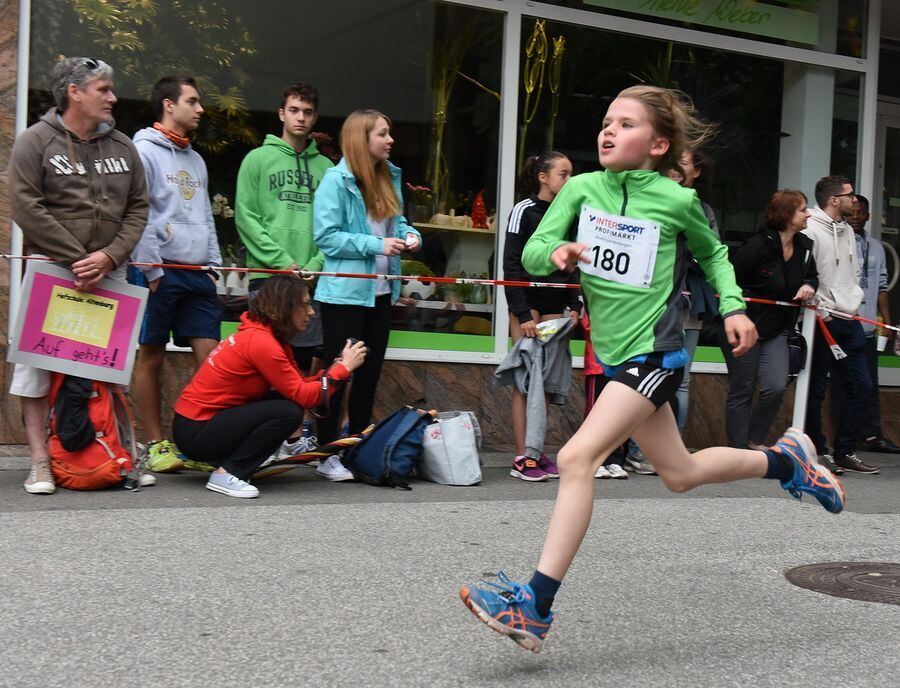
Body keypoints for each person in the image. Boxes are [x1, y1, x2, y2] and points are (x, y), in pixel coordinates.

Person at [458, 85, 845, 654]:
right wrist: (560, 254)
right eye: (606, 120)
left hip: (656, 352)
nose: (607, 130)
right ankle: (785, 462)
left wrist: (734, 307)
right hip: (615, 355)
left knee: (575, 457)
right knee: (680, 473)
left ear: (659, 144)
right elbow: (532, 253)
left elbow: (714, 253)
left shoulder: (675, 200)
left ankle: (534, 605)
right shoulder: (582, 190)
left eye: (626, 123)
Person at [8, 57, 149, 495]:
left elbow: (138, 207)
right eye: (103, 89)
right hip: (52, 270)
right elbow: (26, 207)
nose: (112, 97)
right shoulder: (34, 141)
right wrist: (75, 259)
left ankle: (122, 455)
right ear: (74, 92)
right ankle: (39, 464)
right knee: (36, 368)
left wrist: (108, 256)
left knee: (112, 369)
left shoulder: (124, 147)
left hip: (111, 270)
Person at [172, 275, 367, 498]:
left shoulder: (266, 337)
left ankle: (229, 464)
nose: (312, 312)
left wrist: (336, 367)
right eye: (304, 305)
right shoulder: (262, 343)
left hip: (197, 426)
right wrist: (342, 371)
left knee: (285, 402)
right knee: (288, 412)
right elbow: (305, 397)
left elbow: (299, 386)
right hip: (196, 432)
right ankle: (227, 473)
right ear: (285, 307)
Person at [312, 109, 421, 482]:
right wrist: (376, 245)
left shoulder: (390, 175)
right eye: (383, 134)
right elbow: (325, 236)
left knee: (370, 375)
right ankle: (327, 454)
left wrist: (410, 236)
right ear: (362, 139)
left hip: (380, 292)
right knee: (338, 375)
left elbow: (398, 220)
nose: (390, 140)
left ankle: (356, 449)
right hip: (343, 295)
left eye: (389, 134)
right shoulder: (335, 180)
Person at [236, 82, 334, 457]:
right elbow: (246, 218)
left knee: (306, 360)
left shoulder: (326, 168)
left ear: (315, 118)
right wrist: (282, 263)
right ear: (281, 113)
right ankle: (263, 437)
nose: (300, 118)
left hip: (309, 277)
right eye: (294, 110)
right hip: (269, 277)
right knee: (266, 360)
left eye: (307, 112)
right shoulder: (257, 160)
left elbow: (331, 225)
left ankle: (296, 435)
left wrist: (313, 265)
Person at [130, 76, 222, 473]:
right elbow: (141, 213)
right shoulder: (142, 151)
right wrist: (151, 270)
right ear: (169, 105)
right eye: (193, 101)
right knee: (151, 356)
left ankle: (201, 442)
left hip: (198, 271)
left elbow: (204, 214)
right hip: (159, 271)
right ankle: (154, 443)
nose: (200, 109)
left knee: (212, 359)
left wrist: (214, 263)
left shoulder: (196, 159)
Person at [502, 152, 579, 481]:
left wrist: (575, 304)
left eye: (572, 175)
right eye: (564, 174)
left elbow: (575, 263)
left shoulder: (571, 213)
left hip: (554, 304)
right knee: (526, 380)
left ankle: (536, 451)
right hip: (527, 303)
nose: (569, 181)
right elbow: (511, 264)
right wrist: (521, 313)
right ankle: (522, 457)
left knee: (545, 383)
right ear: (543, 177)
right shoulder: (523, 210)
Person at [724, 190, 817, 449]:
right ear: (787, 214)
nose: (808, 213)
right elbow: (729, 281)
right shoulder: (757, 246)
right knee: (742, 387)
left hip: (778, 328)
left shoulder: (805, 246)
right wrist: (734, 315)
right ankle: (738, 447)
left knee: (776, 385)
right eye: (803, 209)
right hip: (747, 325)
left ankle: (754, 439)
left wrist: (810, 285)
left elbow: (813, 276)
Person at [802, 176, 878, 475]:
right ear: (834, 200)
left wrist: (854, 302)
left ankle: (845, 450)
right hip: (823, 318)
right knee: (817, 387)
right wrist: (820, 308)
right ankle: (818, 451)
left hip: (850, 317)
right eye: (850, 195)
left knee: (863, 386)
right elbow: (809, 273)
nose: (855, 201)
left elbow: (852, 273)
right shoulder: (809, 227)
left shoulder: (848, 231)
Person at [831, 195, 900, 455]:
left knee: (870, 384)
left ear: (868, 216)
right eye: (853, 212)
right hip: (845, 324)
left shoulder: (877, 246)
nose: (856, 217)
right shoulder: (841, 242)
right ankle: (844, 441)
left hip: (869, 327)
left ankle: (873, 436)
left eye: (861, 213)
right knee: (844, 385)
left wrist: (886, 318)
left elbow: (882, 285)